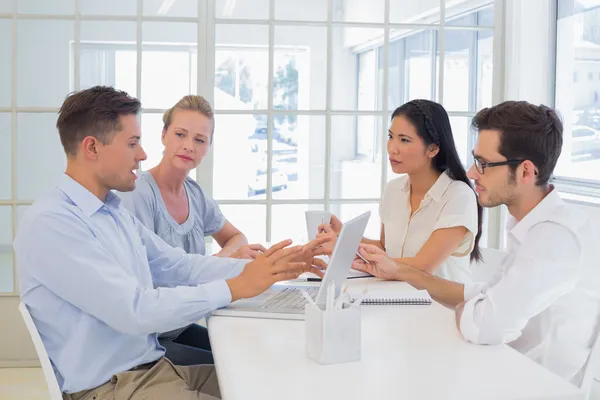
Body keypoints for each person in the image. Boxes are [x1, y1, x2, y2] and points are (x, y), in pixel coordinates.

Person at [14, 86, 328, 399]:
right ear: (93, 147)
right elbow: (134, 310)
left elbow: (176, 264)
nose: (142, 154)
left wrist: (266, 268)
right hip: (113, 387)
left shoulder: (111, 211)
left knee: (277, 382)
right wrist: (235, 286)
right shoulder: (53, 223)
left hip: (153, 369)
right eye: (133, 143)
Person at [352, 101, 600, 384]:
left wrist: (470, 308)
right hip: (497, 366)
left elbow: (483, 326)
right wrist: (399, 271)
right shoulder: (533, 227)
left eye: (484, 164)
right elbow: (483, 293)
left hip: (526, 383)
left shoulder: (556, 237)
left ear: (526, 172)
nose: (471, 172)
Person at [119, 95, 266, 365]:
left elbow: (236, 237)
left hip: (180, 325)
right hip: (149, 339)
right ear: (163, 135)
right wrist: (220, 263)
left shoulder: (194, 194)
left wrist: (226, 256)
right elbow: (144, 278)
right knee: (232, 368)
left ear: (207, 147)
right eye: (180, 134)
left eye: (199, 140)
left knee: (249, 353)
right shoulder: (138, 192)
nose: (189, 146)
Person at [319, 99, 482, 283]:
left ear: (433, 149)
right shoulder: (393, 190)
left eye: (404, 140)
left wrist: (347, 252)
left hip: (441, 306)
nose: (392, 149)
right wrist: (344, 235)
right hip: (394, 296)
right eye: (390, 136)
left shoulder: (458, 196)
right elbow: (384, 248)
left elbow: (423, 266)